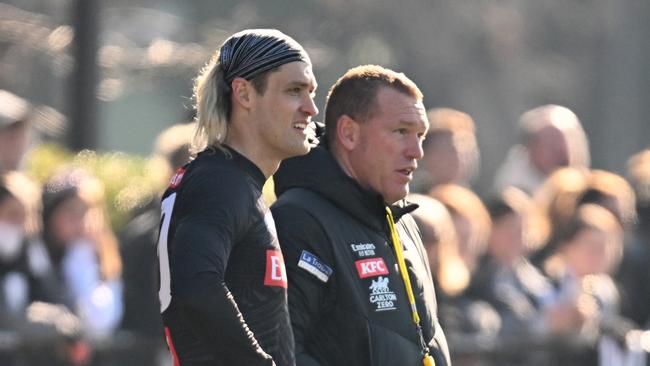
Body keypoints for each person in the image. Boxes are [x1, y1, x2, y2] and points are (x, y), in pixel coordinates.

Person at [155, 29, 318, 366]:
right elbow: (197, 285)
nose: (311, 108)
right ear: (243, 93)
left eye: (311, 92)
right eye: (294, 91)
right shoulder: (221, 181)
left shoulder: (234, 180)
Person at [272, 64, 451, 366]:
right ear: (349, 133)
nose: (416, 151)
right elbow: (282, 354)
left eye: (420, 135)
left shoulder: (401, 219)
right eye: (401, 131)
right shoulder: (298, 221)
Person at [493, 105, 590, 195]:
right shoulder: (514, 191)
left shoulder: (585, 186)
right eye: (552, 143)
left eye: (568, 143)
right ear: (531, 147)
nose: (561, 150)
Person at [410, 108, 479, 194]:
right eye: (449, 149)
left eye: (466, 148)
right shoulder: (413, 201)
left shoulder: (472, 201)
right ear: (426, 154)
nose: (459, 156)